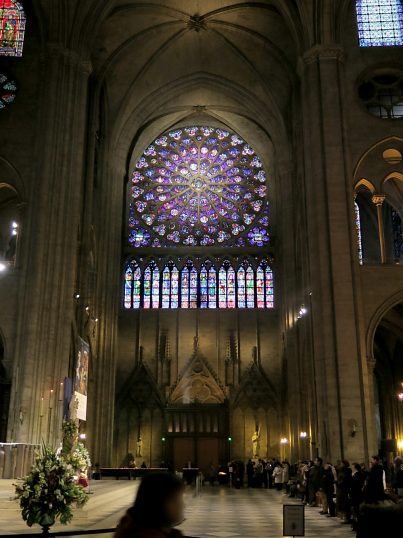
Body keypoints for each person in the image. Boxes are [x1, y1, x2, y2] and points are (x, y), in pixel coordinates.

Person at [115, 473, 189, 538]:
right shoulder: (144, 535)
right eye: (175, 500)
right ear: (157, 504)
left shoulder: (132, 526)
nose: (182, 505)